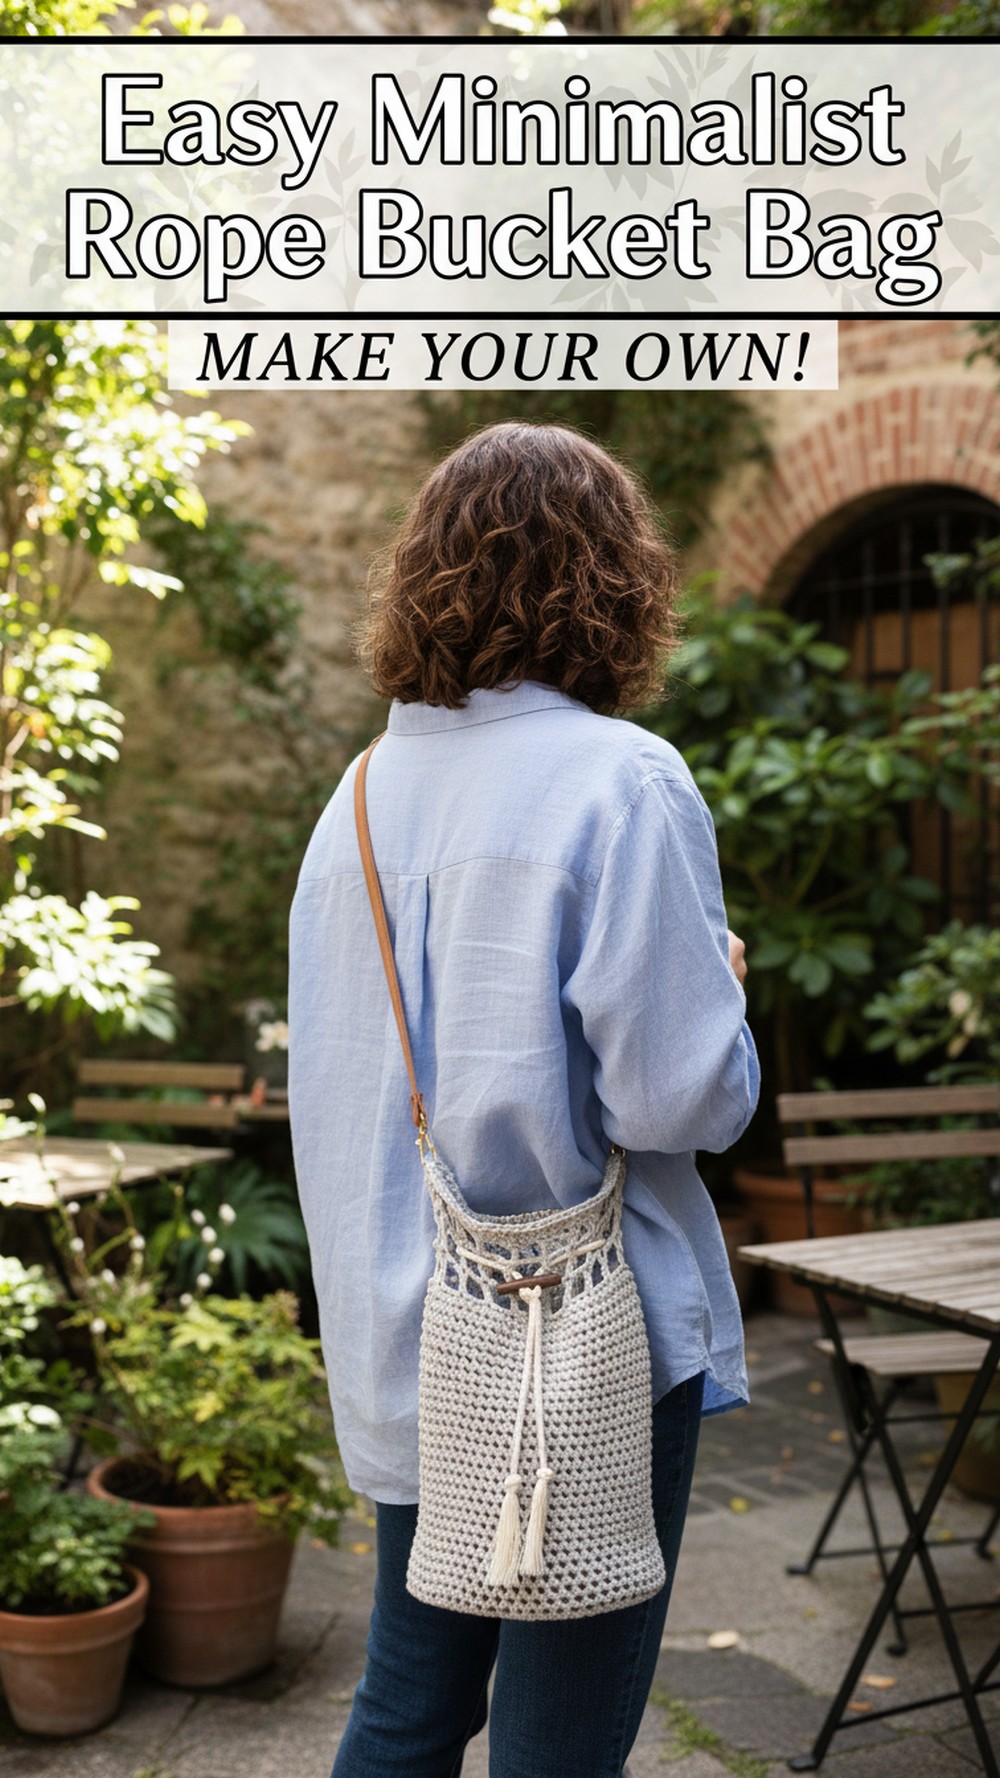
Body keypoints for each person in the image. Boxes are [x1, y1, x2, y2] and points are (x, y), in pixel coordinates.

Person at [288, 420, 759, 1778]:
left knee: (408, 1703)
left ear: (422, 579)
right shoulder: (624, 780)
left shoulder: (357, 800)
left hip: (409, 1326)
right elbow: (682, 1101)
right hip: (576, 1340)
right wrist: (723, 995)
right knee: (557, 1743)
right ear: (616, 581)